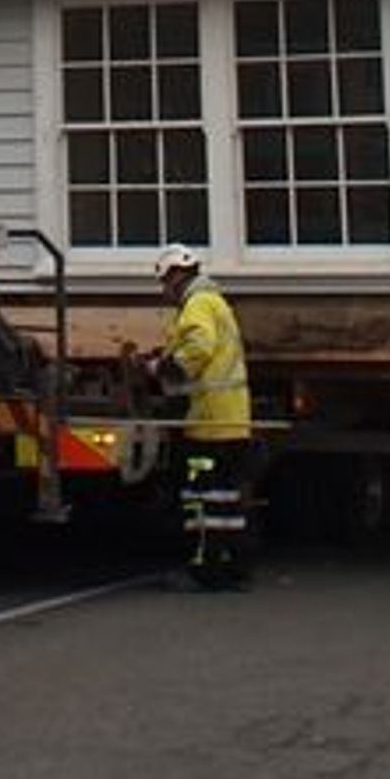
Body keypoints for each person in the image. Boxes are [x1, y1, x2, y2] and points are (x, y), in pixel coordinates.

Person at [150, 242, 252, 590]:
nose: (164, 290)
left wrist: (169, 369)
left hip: (210, 423)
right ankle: (234, 568)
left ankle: (205, 571)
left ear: (178, 275)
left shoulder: (197, 303)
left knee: (201, 500)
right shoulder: (215, 302)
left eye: (165, 282)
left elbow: (199, 346)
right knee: (228, 501)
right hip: (231, 421)